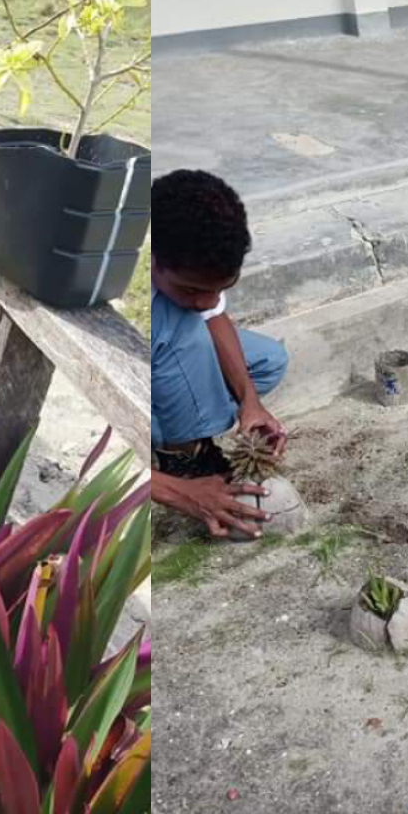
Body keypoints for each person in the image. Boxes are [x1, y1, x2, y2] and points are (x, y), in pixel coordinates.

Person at [150, 169, 287, 538]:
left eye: (220, 288)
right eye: (192, 289)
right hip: (138, 362)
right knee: (186, 327)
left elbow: (214, 316)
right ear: (153, 258)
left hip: (164, 352)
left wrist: (250, 401)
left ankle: (181, 431)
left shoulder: (198, 268)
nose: (206, 302)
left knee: (269, 360)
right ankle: (183, 459)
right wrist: (175, 491)